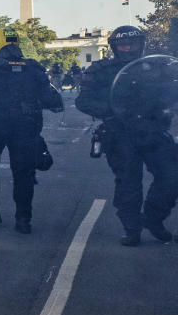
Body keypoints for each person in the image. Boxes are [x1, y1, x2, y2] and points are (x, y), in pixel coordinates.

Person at [76, 26, 178, 246]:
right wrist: (113, 108)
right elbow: (83, 101)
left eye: (133, 44)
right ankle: (132, 229)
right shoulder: (101, 70)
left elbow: (172, 93)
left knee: (172, 176)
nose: (128, 48)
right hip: (120, 132)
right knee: (128, 183)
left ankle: (153, 219)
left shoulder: (157, 67)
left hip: (153, 131)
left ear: (141, 45)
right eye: (123, 44)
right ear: (115, 46)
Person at [0, 28, 63, 234]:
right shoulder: (33, 67)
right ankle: (23, 219)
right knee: (24, 172)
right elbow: (51, 99)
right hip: (26, 125)